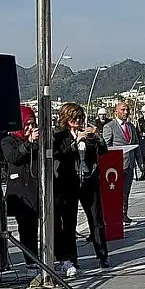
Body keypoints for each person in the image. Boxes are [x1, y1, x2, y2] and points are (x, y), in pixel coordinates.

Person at [53, 103, 108, 274]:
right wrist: (76, 142)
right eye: (75, 118)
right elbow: (58, 155)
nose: (79, 121)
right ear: (67, 119)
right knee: (69, 221)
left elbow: (103, 151)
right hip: (69, 182)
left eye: (81, 117)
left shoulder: (89, 134)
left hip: (89, 180)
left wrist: (97, 136)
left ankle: (102, 255)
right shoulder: (60, 136)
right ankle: (72, 258)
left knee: (96, 218)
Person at [0, 106, 40, 264]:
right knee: (27, 228)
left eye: (33, 124)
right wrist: (28, 143)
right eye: (27, 124)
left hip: (37, 186)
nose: (30, 128)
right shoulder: (8, 140)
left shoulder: (37, 142)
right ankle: (31, 261)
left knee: (38, 226)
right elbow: (13, 157)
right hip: (21, 191)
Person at [102, 101, 140, 225]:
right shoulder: (109, 127)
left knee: (126, 191)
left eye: (127, 109)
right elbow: (105, 146)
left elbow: (136, 145)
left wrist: (140, 162)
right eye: (123, 110)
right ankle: (115, 216)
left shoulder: (131, 127)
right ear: (116, 111)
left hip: (129, 165)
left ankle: (124, 214)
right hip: (115, 167)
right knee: (115, 192)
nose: (126, 112)